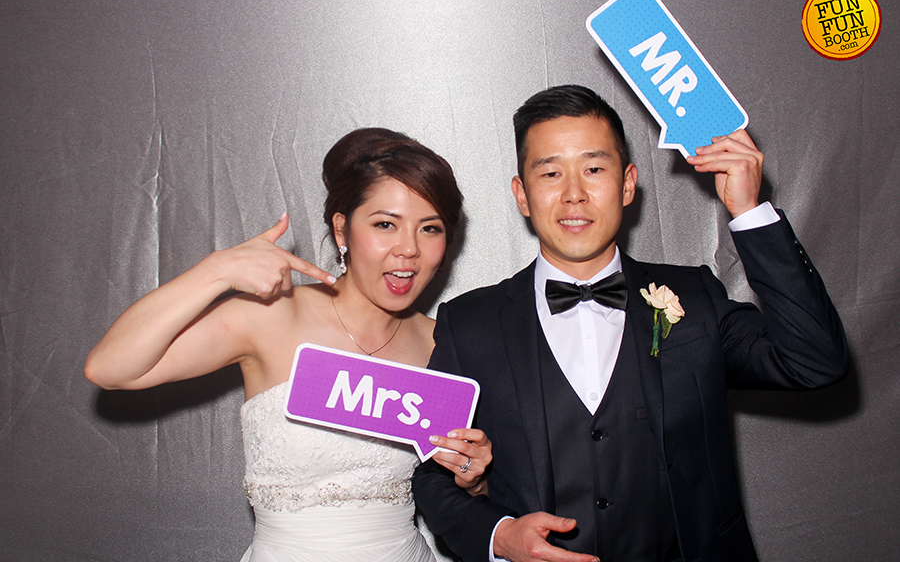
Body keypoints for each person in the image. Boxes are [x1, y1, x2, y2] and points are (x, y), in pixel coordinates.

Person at [412, 85, 848, 562]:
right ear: (522, 195)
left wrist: (749, 213)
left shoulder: (697, 298)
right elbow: (433, 475)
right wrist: (498, 535)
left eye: (594, 169)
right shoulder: (468, 323)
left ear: (627, 184)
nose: (574, 194)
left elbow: (814, 361)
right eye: (551, 173)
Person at [85, 128, 492, 561]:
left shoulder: (441, 343)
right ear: (342, 229)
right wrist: (216, 271)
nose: (408, 249)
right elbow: (109, 368)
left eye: (429, 228)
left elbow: (462, 490)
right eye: (385, 224)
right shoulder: (272, 316)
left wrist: (474, 478)